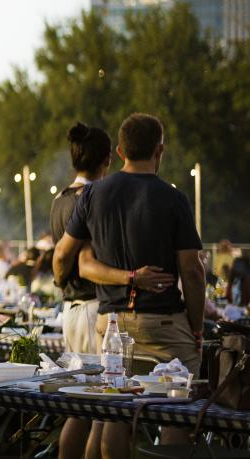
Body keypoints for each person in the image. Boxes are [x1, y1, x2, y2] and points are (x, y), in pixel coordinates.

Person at [55, 113, 203, 457]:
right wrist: (195, 329)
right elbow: (192, 272)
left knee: (115, 412)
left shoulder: (92, 195)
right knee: (175, 411)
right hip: (164, 324)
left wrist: (61, 282)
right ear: (160, 150)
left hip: (110, 323)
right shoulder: (173, 198)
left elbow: (66, 254)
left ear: (120, 150)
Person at [48, 122, 113, 459]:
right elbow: (81, 259)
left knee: (79, 405)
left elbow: (59, 257)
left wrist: (60, 282)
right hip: (90, 306)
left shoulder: (60, 199)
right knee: (99, 406)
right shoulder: (91, 198)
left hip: (71, 309)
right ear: (107, 161)